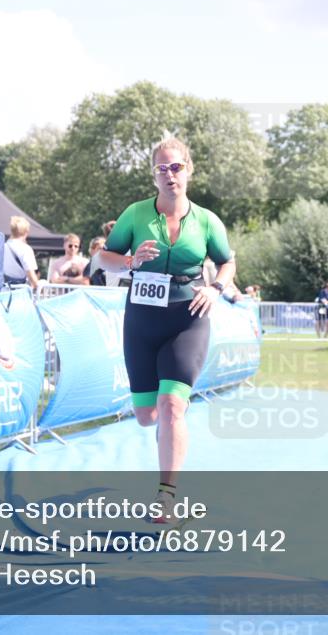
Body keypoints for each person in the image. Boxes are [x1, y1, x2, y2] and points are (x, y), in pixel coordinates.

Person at [100, 136, 235, 522]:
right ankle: (167, 435)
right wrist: (128, 260)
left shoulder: (208, 220)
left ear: (188, 170)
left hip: (187, 318)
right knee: (148, 416)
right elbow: (103, 258)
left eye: (176, 167)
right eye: (162, 168)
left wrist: (216, 287)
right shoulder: (135, 214)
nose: (169, 174)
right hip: (142, 320)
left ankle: (167, 496)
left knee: (173, 404)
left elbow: (227, 262)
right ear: (153, 175)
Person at [3, 215, 40, 289]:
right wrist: (38, 286)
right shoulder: (26, 249)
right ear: (26, 232)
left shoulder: (3, 247)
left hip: (4, 290)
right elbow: (31, 276)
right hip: (20, 292)